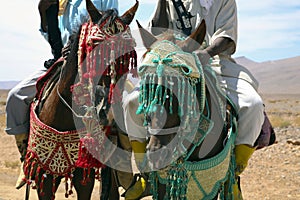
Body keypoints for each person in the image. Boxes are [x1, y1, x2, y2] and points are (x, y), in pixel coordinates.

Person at [125, 0, 265, 199]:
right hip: (174, 64)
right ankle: (145, 173)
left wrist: (206, 53)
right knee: (132, 102)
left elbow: (227, 35)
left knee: (252, 105)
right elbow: (157, 29)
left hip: (216, 62)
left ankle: (233, 175)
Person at [5, 0, 118, 190]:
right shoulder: (61, 1)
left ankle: (123, 174)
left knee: (122, 106)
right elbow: (50, 34)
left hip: (94, 62)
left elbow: (111, 25)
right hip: (61, 59)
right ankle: (26, 159)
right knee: (15, 97)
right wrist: (42, 11)